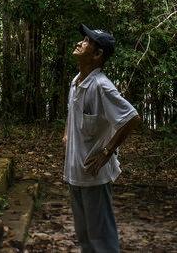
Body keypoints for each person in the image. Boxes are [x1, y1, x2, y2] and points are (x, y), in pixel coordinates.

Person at [63, 24, 142, 253]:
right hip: (75, 174)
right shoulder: (77, 80)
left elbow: (132, 118)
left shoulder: (101, 86)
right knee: (86, 238)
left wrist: (107, 152)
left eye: (87, 41)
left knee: (102, 241)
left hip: (94, 178)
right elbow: (73, 114)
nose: (80, 43)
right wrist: (67, 134)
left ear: (98, 55)